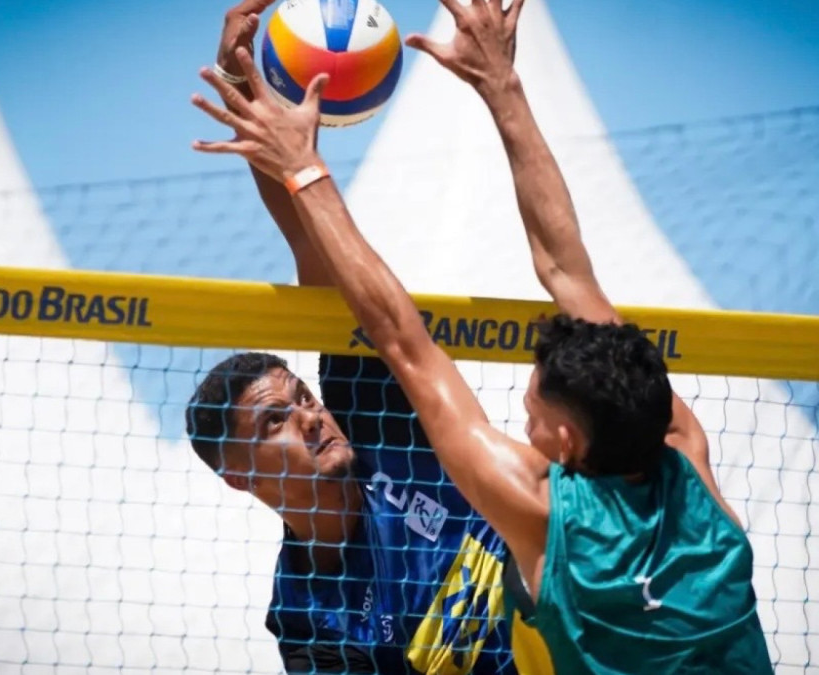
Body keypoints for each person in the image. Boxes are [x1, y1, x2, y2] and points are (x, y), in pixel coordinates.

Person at [188, 0, 776, 672]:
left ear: (564, 445)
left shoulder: (539, 513)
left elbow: (408, 335)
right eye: (275, 419)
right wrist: (503, 86)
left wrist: (301, 161)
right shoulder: (683, 453)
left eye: (532, 412)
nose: (520, 419)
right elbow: (568, 272)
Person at [184, 3, 553, 673]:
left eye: (299, 398)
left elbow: (311, 244)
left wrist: (248, 86)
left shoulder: (375, 421)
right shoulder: (301, 610)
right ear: (238, 473)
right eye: (275, 421)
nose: (309, 416)